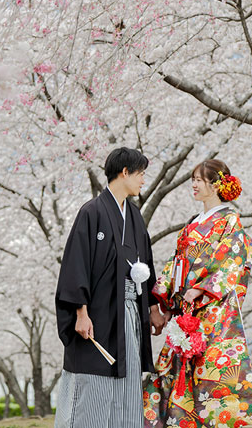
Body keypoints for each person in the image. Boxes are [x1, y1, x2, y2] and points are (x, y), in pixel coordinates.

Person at [143, 159, 252, 428]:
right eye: (193, 180)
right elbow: (177, 262)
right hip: (186, 310)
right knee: (176, 369)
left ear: (217, 184)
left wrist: (200, 287)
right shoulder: (192, 223)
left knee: (211, 372)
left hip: (212, 312)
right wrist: (161, 298)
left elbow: (234, 259)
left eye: (199, 180)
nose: (194, 185)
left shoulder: (229, 220)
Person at [55, 147, 165, 428]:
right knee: (94, 383)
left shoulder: (136, 217)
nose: (143, 180)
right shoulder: (91, 212)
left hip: (130, 315)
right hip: (98, 315)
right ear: (124, 172)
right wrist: (80, 312)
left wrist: (152, 308)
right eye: (140, 174)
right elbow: (76, 264)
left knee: (126, 383)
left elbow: (146, 264)